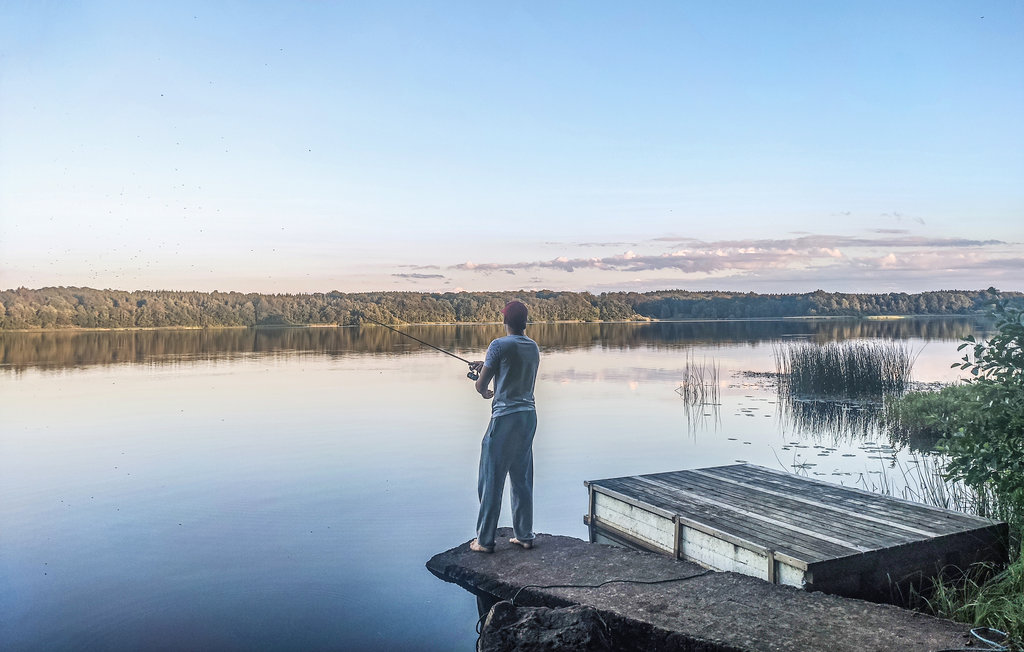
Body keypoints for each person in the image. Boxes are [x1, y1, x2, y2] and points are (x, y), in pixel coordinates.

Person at [468, 300, 541, 553]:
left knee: (491, 478)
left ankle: (485, 540)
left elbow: (481, 386)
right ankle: (524, 534)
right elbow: (511, 366)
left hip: (504, 417)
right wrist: (488, 363)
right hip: (528, 416)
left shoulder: (498, 345)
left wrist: (482, 380)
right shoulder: (533, 346)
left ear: (505, 321)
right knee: (521, 477)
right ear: (525, 322)